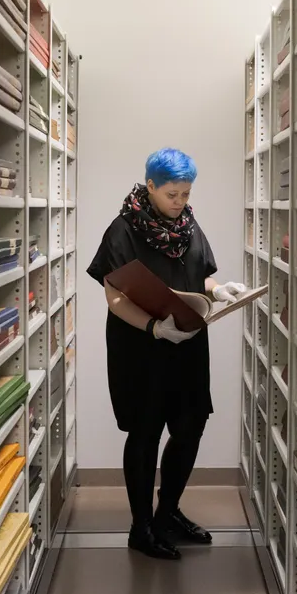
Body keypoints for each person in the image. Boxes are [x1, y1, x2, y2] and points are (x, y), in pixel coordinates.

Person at [86, 148, 248, 560]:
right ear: (151, 186)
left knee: (190, 426)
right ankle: (141, 528)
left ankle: (168, 513)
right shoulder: (123, 230)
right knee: (145, 432)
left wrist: (219, 289)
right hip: (140, 347)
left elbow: (200, 276)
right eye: (172, 194)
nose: (180, 202)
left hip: (187, 344)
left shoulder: (188, 225)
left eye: (186, 193)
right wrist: (154, 328)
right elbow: (114, 298)